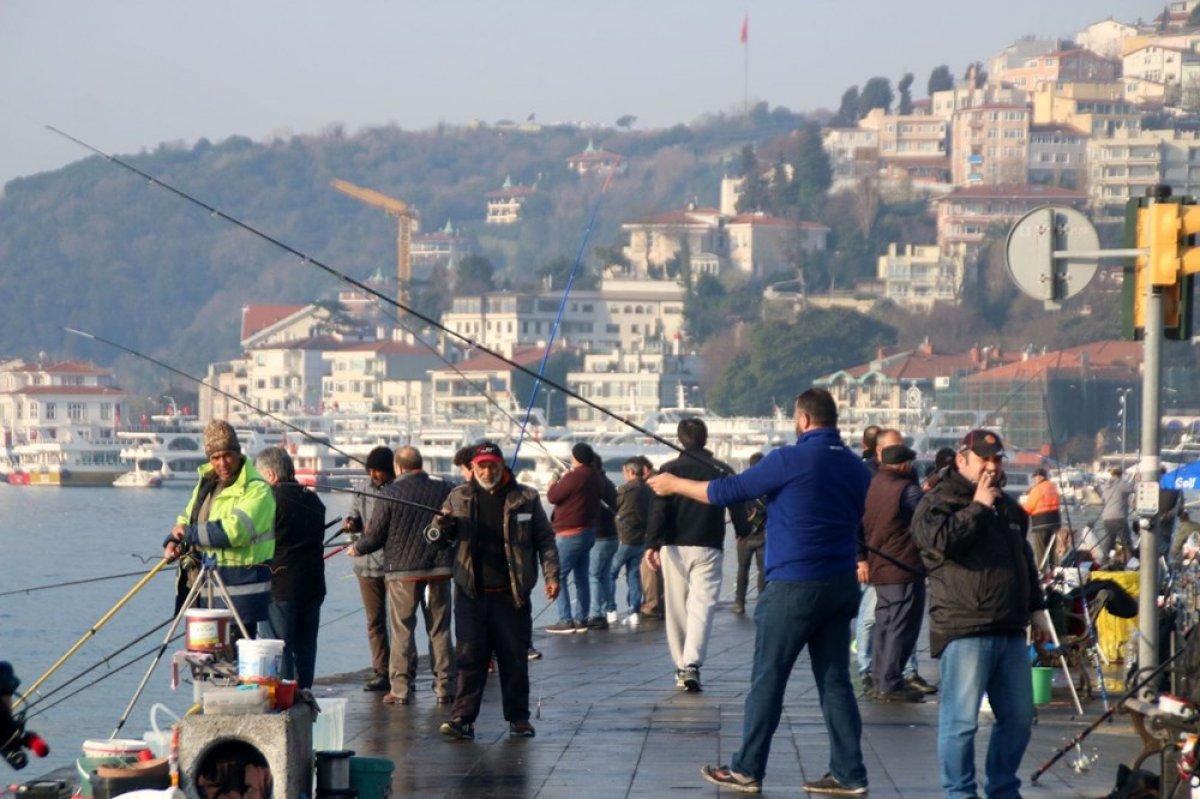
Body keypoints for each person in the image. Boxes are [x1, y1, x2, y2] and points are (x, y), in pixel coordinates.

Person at [651, 389, 870, 795]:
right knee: (836, 681)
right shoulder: (857, 468)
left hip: (794, 585)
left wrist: (672, 483)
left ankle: (747, 769)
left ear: (803, 420)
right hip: (840, 584)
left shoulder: (788, 459)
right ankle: (849, 773)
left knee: (768, 679)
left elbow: (723, 491)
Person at [910, 429, 1048, 799]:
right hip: (965, 627)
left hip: (1010, 628)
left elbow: (1024, 559)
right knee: (961, 723)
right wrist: (978, 508)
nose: (992, 466)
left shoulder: (1009, 507)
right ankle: (960, 792)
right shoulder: (938, 501)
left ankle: (1003, 789)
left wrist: (1037, 609)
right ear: (962, 460)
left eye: (997, 458)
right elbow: (938, 544)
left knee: (1019, 719)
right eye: (984, 458)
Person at [432, 442, 560, 740]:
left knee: (514, 658)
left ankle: (519, 719)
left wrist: (551, 576)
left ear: (502, 465)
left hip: (511, 595)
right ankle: (462, 719)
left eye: (492, 465)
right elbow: (436, 540)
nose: (487, 472)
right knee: (469, 658)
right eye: (482, 466)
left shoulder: (526, 497)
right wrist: (442, 525)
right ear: (473, 468)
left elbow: (545, 540)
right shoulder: (458, 496)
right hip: (470, 594)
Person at [645, 418, 749, 693]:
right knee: (702, 606)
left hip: (674, 545)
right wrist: (742, 530)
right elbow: (736, 502)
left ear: (680, 439)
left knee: (677, 608)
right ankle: (692, 663)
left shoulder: (669, 470)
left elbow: (658, 510)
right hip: (709, 544)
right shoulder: (721, 469)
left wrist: (651, 544)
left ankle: (682, 665)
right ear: (705, 438)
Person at [349, 446, 455, 705]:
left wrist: (357, 548)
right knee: (439, 630)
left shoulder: (391, 493)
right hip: (438, 572)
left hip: (403, 574)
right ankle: (445, 686)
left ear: (397, 466)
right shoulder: (444, 489)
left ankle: (400, 688)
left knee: (402, 631)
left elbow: (375, 536)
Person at [164, 420, 276, 639]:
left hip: (239, 598)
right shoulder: (207, 483)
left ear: (238, 453)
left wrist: (188, 534)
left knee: (233, 656)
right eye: (215, 457)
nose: (222, 463)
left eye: (227, 455)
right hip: (202, 592)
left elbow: (235, 531)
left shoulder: (257, 489)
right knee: (201, 655)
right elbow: (187, 517)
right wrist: (173, 540)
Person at [863, 431, 926, 704]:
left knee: (884, 625)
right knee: (902, 626)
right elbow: (927, 516)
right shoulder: (906, 489)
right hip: (903, 565)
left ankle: (880, 679)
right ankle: (891, 682)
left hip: (880, 565)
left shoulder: (873, 484)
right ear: (903, 464)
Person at [255, 447, 325, 690]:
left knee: (277, 646)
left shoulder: (270, 501)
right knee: (306, 647)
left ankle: (284, 697)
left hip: (281, 585)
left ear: (271, 475)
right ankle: (304, 694)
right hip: (313, 584)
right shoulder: (314, 499)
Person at [342, 446, 395, 692]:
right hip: (366, 567)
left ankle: (403, 671)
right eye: (370, 471)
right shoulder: (362, 489)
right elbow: (354, 516)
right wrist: (351, 523)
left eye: (378, 471)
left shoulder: (398, 490)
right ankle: (381, 671)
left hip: (394, 566)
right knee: (375, 622)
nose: (374, 475)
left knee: (400, 623)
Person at [544, 442, 602, 634]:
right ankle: (581, 618)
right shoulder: (594, 476)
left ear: (576, 457)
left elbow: (553, 497)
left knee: (558, 575)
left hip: (569, 534)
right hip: (588, 532)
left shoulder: (573, 476)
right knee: (581, 577)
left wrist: (554, 481)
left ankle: (565, 620)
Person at [612, 457, 651, 625]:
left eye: (624, 472)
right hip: (641, 539)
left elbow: (613, 504)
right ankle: (634, 609)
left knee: (610, 573)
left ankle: (610, 609)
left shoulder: (625, 490)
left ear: (631, 472)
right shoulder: (648, 489)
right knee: (634, 575)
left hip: (625, 539)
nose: (624, 475)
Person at [733, 451, 768, 615]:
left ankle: (739, 602)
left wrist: (738, 532)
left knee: (742, 569)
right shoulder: (769, 485)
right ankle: (762, 602)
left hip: (744, 536)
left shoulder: (743, 485)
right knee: (763, 571)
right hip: (763, 535)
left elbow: (736, 510)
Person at [588, 454, 620, 628]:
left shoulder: (593, 484)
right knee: (605, 575)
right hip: (612, 536)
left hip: (598, 537)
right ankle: (610, 608)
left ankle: (596, 614)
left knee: (593, 576)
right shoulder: (609, 483)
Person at [634, 456, 666, 620]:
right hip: (666, 535)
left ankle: (652, 605)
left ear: (645, 470)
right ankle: (661, 604)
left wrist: (651, 540)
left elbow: (656, 513)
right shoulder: (664, 480)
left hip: (656, 535)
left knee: (649, 569)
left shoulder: (654, 485)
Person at [1021, 468, 1061, 569]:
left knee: (1041, 552)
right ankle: (1055, 571)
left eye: (1035, 477)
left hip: (1041, 524)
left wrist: (1020, 510)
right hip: (1055, 523)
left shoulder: (1037, 489)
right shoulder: (1053, 487)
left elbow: (1029, 507)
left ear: (1040, 477)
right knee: (1053, 551)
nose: (1035, 480)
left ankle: (1042, 573)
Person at [1098, 468, 1134, 554]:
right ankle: (1131, 560)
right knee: (1126, 542)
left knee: (1110, 543)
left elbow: (1103, 500)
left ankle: (1107, 559)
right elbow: (1135, 488)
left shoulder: (1106, 486)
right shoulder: (1121, 484)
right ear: (1120, 475)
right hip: (1119, 517)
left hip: (1106, 518)